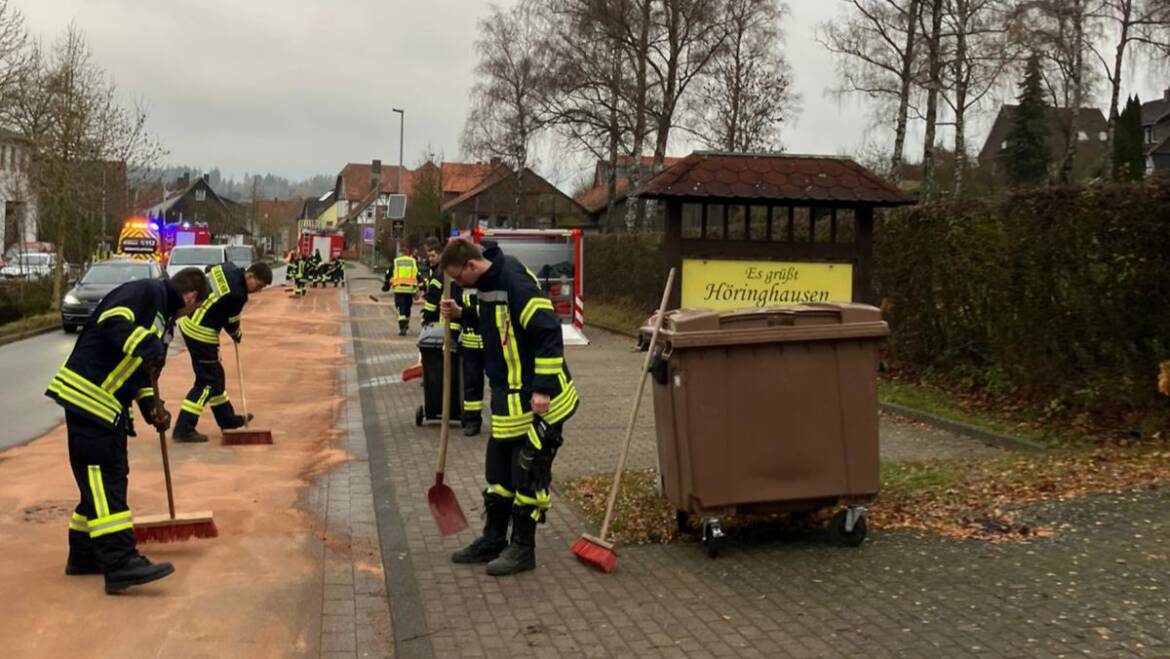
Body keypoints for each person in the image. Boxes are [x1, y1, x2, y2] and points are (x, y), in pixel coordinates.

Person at [45, 268, 210, 594]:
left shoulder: (163, 319)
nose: (193, 312)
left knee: (101, 483)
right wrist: (146, 343)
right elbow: (112, 322)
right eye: (196, 306)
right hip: (90, 397)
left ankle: (84, 555)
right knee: (106, 480)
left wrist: (152, 407)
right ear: (192, 297)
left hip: (106, 405)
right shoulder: (147, 292)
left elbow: (138, 375)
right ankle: (120, 563)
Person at [439, 238, 579, 576]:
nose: (459, 286)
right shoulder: (486, 284)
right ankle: (494, 539)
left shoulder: (514, 281)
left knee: (527, 472)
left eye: (459, 279)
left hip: (540, 400)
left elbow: (547, 331)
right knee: (498, 471)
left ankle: (523, 549)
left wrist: (543, 390)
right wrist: (462, 312)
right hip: (509, 397)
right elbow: (496, 318)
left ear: (472, 266)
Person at [172, 261, 273, 443]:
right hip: (201, 333)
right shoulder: (238, 295)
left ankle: (226, 419)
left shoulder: (227, 267)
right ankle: (184, 428)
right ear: (250, 276)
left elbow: (209, 269)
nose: (257, 290)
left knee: (216, 375)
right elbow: (231, 323)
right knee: (207, 383)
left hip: (190, 321)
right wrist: (237, 334)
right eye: (258, 285)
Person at [384, 249, 420, 336]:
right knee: (407, 306)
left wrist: (387, 281)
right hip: (410, 289)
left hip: (399, 289)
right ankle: (406, 322)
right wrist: (421, 287)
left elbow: (388, 273)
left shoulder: (396, 261)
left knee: (400, 306)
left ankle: (402, 324)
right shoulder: (413, 262)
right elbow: (417, 274)